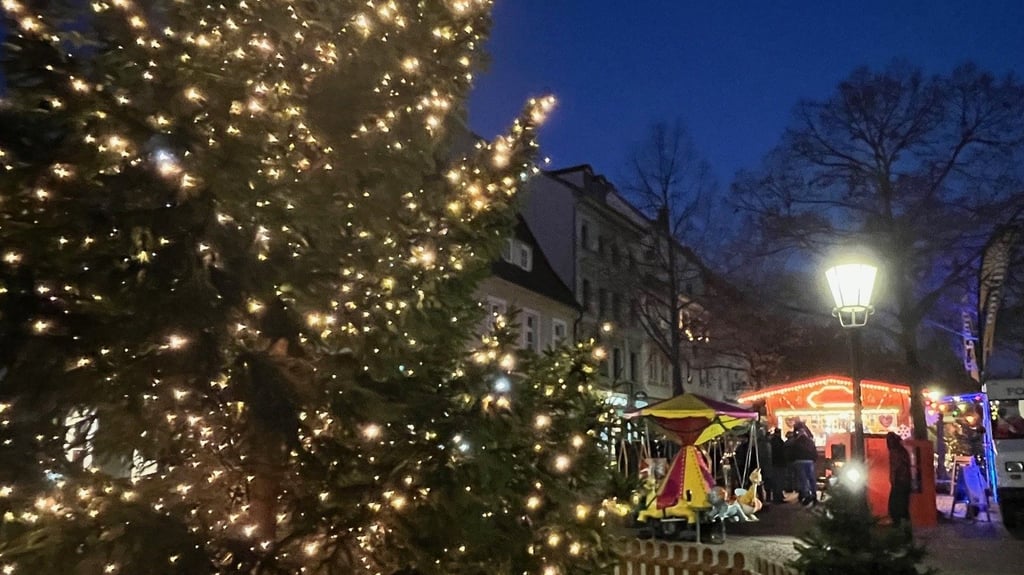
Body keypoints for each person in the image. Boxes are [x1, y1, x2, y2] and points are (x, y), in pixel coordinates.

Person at [886, 431, 912, 532]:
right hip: (905, 481)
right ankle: (905, 525)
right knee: (903, 504)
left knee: (895, 505)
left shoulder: (895, 452)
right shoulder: (902, 450)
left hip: (899, 481)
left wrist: (892, 480)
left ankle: (898, 524)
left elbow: (895, 468)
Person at [789, 422, 818, 507]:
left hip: (799, 462)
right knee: (812, 478)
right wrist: (814, 459)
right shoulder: (810, 441)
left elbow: (792, 453)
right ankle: (814, 494)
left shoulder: (796, 442)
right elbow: (814, 451)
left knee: (803, 479)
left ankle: (807, 495)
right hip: (809, 461)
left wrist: (793, 460)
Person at [767, 428, 787, 503]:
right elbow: (782, 452)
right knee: (779, 481)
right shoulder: (778, 441)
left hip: (775, 463)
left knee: (776, 481)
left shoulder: (772, 441)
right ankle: (778, 498)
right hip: (779, 464)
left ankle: (777, 496)